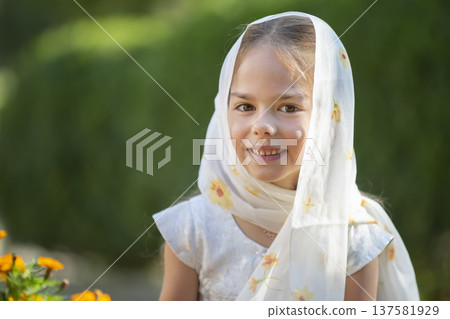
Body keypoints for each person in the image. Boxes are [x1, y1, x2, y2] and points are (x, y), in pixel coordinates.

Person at [152, 11, 420, 301]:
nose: (262, 126)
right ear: (222, 112)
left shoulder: (352, 239)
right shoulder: (193, 231)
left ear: (329, 120)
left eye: (289, 108)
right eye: (245, 106)